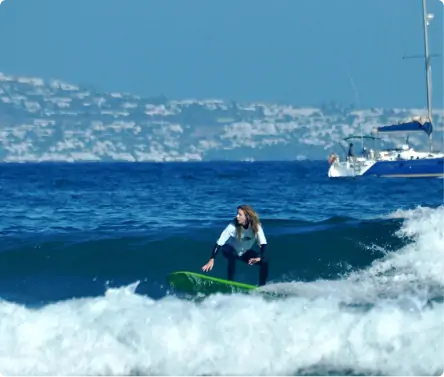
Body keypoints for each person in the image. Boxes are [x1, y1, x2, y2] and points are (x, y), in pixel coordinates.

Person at [201, 204, 269, 286]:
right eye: (237, 214)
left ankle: (262, 286)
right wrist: (212, 259)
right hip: (228, 249)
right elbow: (219, 242)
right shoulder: (233, 225)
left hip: (244, 252)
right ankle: (230, 283)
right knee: (232, 254)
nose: (237, 216)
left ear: (247, 217)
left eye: (240, 214)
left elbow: (263, 244)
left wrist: (260, 257)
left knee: (264, 261)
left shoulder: (256, 226)